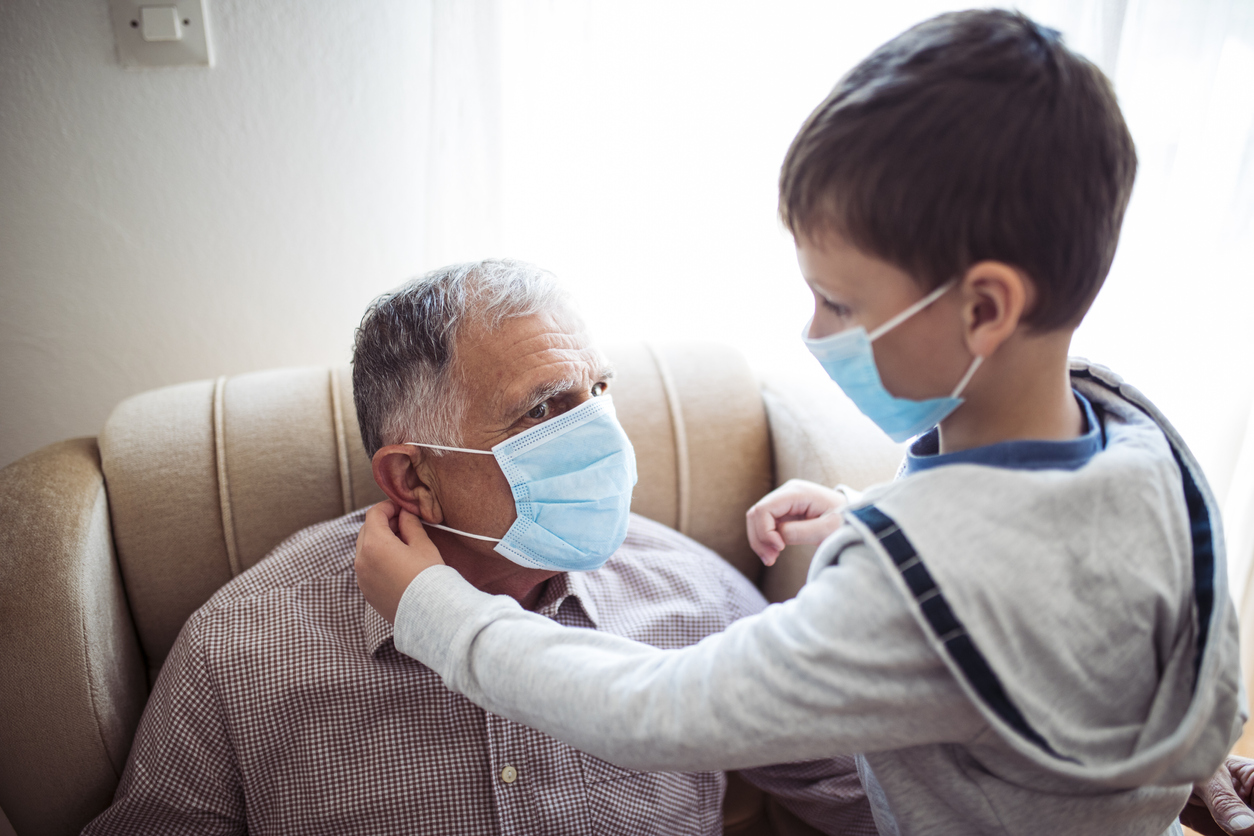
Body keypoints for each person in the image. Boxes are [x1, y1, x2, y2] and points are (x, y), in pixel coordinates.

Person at [353, 10, 1247, 836]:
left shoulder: (896, 594)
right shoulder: (1141, 436)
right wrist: (874, 521)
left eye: (836, 301)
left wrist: (436, 614)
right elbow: (1064, 593)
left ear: (984, 310)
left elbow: (651, 709)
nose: (813, 332)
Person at [82, 259, 872, 836]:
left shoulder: (696, 599)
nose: (601, 429)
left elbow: (872, 797)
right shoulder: (242, 651)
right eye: (543, 409)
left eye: (598, 389)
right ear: (415, 478)